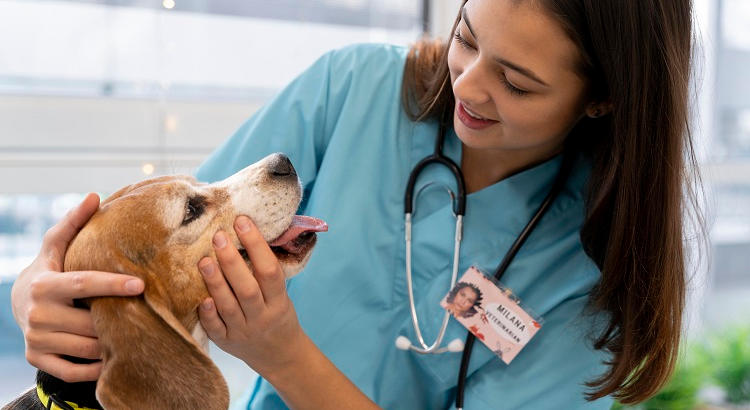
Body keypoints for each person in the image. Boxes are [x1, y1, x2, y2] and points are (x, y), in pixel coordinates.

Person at [10, 0, 702, 408]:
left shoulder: (593, 267)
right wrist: (44, 289)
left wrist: (283, 355)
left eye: (518, 83)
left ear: (604, 99)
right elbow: (157, 244)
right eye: (466, 37)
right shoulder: (355, 89)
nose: (469, 84)